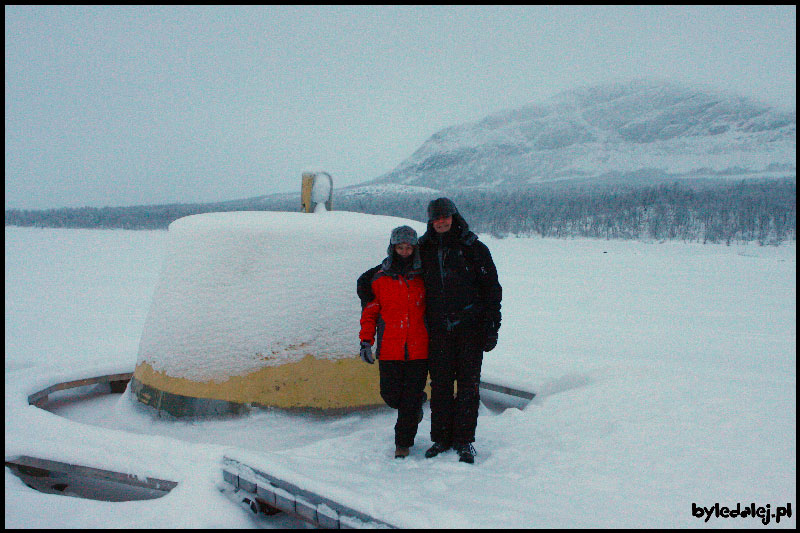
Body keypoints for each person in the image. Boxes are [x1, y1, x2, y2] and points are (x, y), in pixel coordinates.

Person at [418, 198, 502, 464]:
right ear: (431, 221)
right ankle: (441, 438)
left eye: (445, 217)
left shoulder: (474, 248)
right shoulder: (424, 248)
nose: (441, 222)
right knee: (440, 386)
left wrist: (492, 327)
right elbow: (397, 268)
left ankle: (464, 440)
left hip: (470, 330)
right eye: (436, 218)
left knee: (468, 387)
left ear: (454, 217)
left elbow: (492, 290)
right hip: (438, 331)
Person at [358, 226, 429, 459]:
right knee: (390, 396)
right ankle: (417, 403)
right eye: (400, 247)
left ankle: (403, 444)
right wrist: (366, 342)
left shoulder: (424, 277)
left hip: (419, 350)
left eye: (409, 247)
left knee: (408, 402)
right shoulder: (379, 278)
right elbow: (370, 313)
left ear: (414, 248)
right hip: (389, 349)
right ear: (393, 248)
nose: (405, 251)